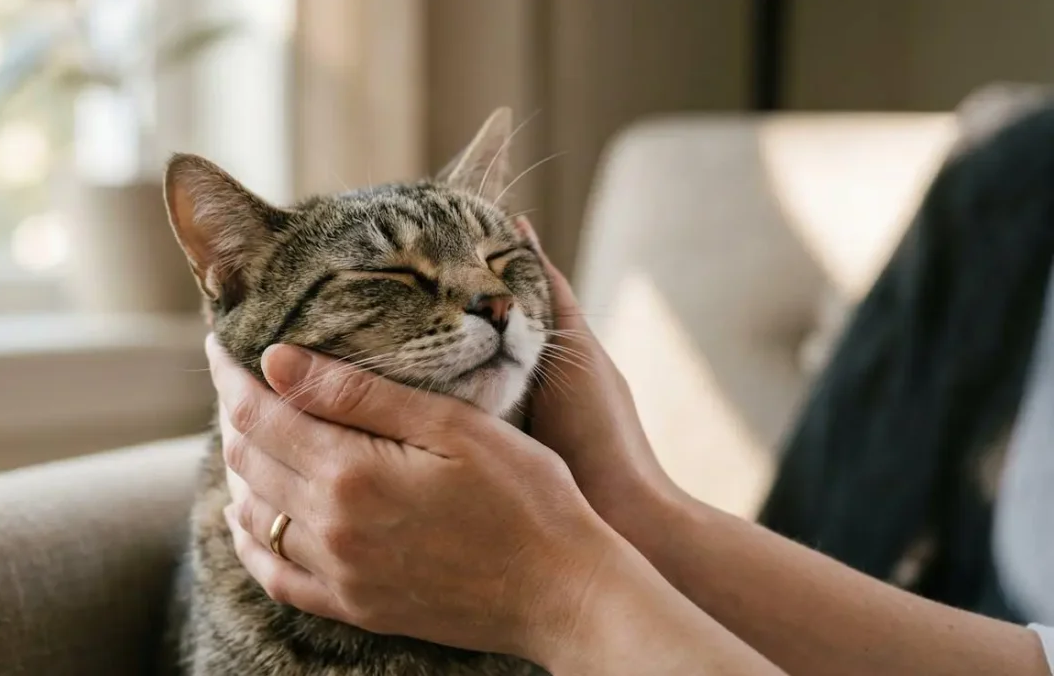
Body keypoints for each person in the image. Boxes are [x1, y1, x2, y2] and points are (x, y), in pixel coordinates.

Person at [207, 219, 1054, 675]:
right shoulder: (1012, 179)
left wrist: (563, 589)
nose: (491, 298)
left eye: (507, 262)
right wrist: (634, 512)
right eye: (388, 280)